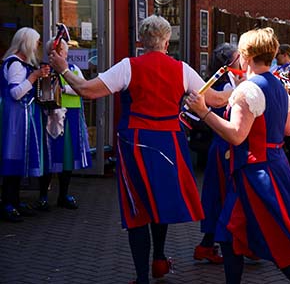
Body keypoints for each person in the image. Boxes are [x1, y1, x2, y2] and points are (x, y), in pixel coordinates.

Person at [49, 14, 230, 284]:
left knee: (137, 209)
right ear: (167, 41)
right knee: (161, 203)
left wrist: (63, 68)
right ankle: (158, 258)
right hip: (169, 142)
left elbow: (86, 90)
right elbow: (215, 99)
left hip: (135, 142)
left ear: (142, 41)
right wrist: (248, 85)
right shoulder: (181, 69)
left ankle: (143, 276)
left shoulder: (128, 66)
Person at [186, 28, 290, 284]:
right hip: (273, 168)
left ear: (245, 54)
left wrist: (203, 112)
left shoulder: (247, 90)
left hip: (256, 173)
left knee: (278, 239)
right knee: (230, 232)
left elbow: (236, 136)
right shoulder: (277, 83)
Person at [193, 42, 244, 264]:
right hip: (224, 145)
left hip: (228, 144)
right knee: (222, 194)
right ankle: (217, 243)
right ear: (228, 64)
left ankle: (210, 244)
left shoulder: (232, 82)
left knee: (223, 195)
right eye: (238, 57)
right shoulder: (223, 85)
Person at [34, 38, 92, 211]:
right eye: (56, 51)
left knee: (67, 158)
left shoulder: (73, 70)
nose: (60, 54)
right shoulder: (45, 70)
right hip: (50, 117)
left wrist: (65, 89)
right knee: (48, 157)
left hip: (71, 117)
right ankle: (43, 196)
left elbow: (84, 88)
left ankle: (63, 195)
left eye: (62, 50)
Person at [0, 27, 50, 222]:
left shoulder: (21, 64)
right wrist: (34, 77)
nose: (37, 47)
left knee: (18, 159)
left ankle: (14, 200)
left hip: (22, 118)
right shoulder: (14, 64)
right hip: (15, 118)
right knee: (13, 158)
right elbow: (15, 93)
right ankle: (8, 203)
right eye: (36, 42)